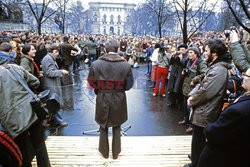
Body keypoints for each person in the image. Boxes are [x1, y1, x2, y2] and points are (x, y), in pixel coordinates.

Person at [184, 39, 232, 167]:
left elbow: (206, 91)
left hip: (206, 111)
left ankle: (196, 163)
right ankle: (196, 159)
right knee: (198, 140)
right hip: (205, 110)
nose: (204, 53)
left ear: (214, 53)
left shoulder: (218, 70)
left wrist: (192, 99)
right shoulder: (216, 67)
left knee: (199, 140)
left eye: (206, 50)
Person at [0, 55, 50, 167]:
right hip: (30, 108)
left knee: (22, 148)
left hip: (10, 116)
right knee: (39, 143)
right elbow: (35, 82)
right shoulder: (13, 67)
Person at [87, 40, 134, 159]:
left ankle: (104, 152)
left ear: (105, 50)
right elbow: (129, 85)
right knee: (117, 125)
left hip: (102, 96)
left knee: (103, 125)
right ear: (117, 49)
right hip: (119, 97)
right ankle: (116, 153)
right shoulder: (126, 65)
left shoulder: (96, 64)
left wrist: (100, 88)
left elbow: (91, 82)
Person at [197, 68, 250, 167]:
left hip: (225, 157)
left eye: (246, 75)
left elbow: (214, 132)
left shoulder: (239, 111)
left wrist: (208, 128)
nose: (243, 77)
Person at [179, 46, 207, 133]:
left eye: (191, 52)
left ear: (196, 54)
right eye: (189, 52)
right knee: (185, 105)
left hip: (194, 88)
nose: (189, 54)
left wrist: (195, 80)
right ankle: (186, 120)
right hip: (186, 87)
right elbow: (188, 70)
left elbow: (204, 74)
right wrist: (184, 72)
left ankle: (191, 125)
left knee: (191, 107)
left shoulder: (200, 62)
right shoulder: (188, 61)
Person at [41, 44, 69, 127]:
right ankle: (59, 121)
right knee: (54, 103)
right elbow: (49, 72)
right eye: (56, 52)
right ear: (51, 51)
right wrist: (61, 72)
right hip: (51, 85)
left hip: (51, 83)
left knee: (50, 103)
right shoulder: (48, 59)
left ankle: (46, 121)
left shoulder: (49, 58)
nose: (57, 54)